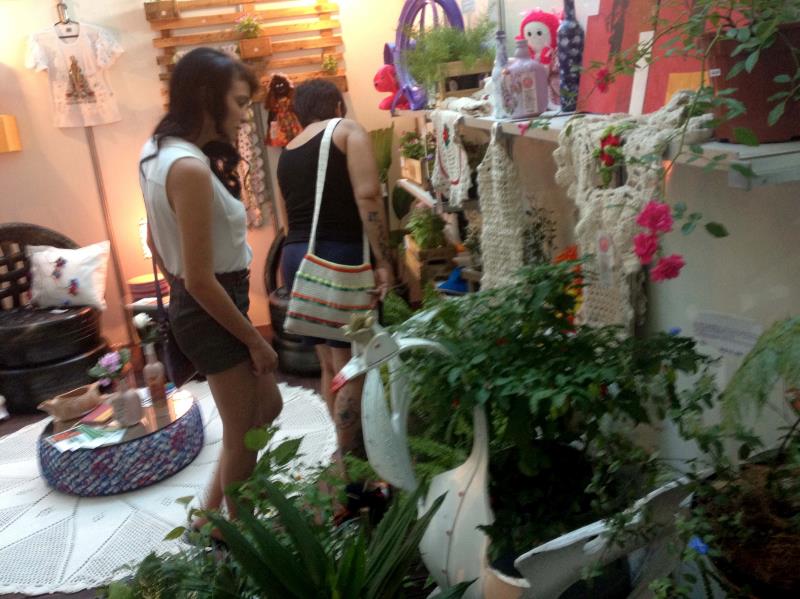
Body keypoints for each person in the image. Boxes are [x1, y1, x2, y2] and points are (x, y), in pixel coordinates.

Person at [139, 48, 283, 532]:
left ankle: (207, 517)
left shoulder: (157, 151)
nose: (244, 115)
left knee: (266, 407)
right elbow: (200, 278)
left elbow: (153, 240)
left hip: (204, 302)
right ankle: (237, 536)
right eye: (239, 103)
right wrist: (255, 339)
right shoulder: (189, 168)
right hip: (212, 304)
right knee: (246, 427)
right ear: (207, 97)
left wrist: (180, 285)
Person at [277, 78, 394, 464]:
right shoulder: (347, 131)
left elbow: (286, 220)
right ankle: (353, 459)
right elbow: (368, 196)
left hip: (298, 259)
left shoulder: (287, 152)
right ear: (338, 106)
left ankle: (340, 449)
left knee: (328, 363)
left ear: (299, 114)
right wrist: (384, 260)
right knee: (352, 364)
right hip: (338, 259)